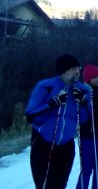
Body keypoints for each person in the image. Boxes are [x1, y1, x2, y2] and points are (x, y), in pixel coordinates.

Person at [25, 53, 92, 189]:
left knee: (61, 184)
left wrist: (84, 102)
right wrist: (51, 104)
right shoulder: (45, 86)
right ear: (63, 70)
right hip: (44, 143)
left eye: (78, 68)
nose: (77, 71)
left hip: (66, 145)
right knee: (44, 184)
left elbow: (85, 120)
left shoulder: (82, 89)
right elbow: (31, 116)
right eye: (73, 68)